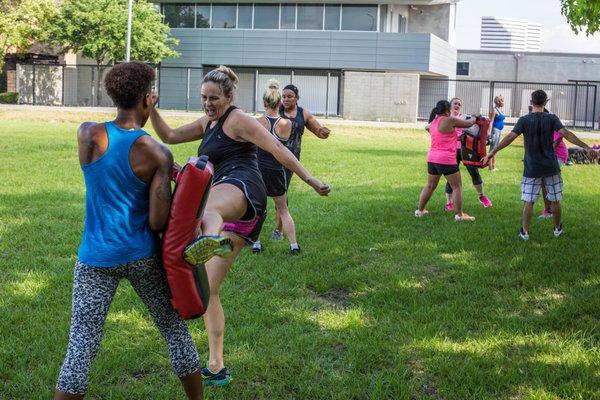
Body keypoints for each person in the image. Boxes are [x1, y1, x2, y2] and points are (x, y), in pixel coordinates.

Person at [149, 66, 330, 386]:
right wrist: (152, 109)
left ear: (229, 97)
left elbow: (277, 149)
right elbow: (170, 136)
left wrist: (310, 179)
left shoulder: (238, 120)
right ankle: (216, 365)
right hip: (237, 214)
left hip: (243, 188)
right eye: (204, 98)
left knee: (207, 212)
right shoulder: (208, 122)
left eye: (214, 98)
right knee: (209, 290)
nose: (208, 104)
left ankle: (210, 238)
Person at [54, 62, 203, 400]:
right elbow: (156, 222)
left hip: (95, 257)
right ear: (147, 99)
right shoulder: (157, 153)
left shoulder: (87, 134)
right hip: (141, 255)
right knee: (174, 332)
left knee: (81, 346)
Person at [482, 89, 596, 240]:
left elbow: (509, 137)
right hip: (551, 166)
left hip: (532, 167)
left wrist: (491, 152)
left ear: (531, 102)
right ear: (545, 102)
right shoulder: (552, 118)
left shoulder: (524, 120)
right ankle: (557, 230)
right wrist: (586, 147)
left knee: (528, 201)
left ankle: (525, 232)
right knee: (555, 200)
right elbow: (567, 133)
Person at [270, 84, 330, 241]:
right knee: (270, 193)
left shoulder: (303, 114)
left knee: (282, 194)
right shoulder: (277, 110)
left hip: (291, 160)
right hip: (274, 157)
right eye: (284, 96)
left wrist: (323, 132)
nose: (286, 99)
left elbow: (318, 130)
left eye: (290, 96)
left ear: (297, 98)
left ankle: (278, 229)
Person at [250, 80, 301, 254]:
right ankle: (294, 245)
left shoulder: (256, 122)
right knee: (283, 210)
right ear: (279, 103)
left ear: (264, 103)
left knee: (258, 209)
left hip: (258, 170)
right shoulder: (287, 124)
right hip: (277, 170)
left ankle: (255, 243)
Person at [416, 100, 477, 221]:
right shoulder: (450, 120)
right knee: (457, 187)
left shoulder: (433, 122)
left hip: (432, 159)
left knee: (430, 186)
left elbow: (431, 130)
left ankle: (420, 211)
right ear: (447, 110)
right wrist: (475, 117)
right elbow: (469, 123)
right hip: (446, 159)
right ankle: (460, 215)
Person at [443, 97, 493, 210]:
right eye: (455, 103)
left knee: (474, 172)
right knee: (451, 177)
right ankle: (449, 202)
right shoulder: (446, 119)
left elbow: (478, 128)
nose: (457, 105)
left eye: (459, 104)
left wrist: (485, 136)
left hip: (467, 149)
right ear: (450, 106)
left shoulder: (465, 117)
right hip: (452, 150)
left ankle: (482, 196)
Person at [487, 95, 506, 171]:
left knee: (496, 148)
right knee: (493, 148)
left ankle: (494, 166)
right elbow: (491, 122)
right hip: (495, 131)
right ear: (499, 102)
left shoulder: (500, 110)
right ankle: (490, 167)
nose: (503, 103)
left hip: (499, 131)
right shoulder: (494, 110)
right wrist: (489, 132)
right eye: (502, 101)